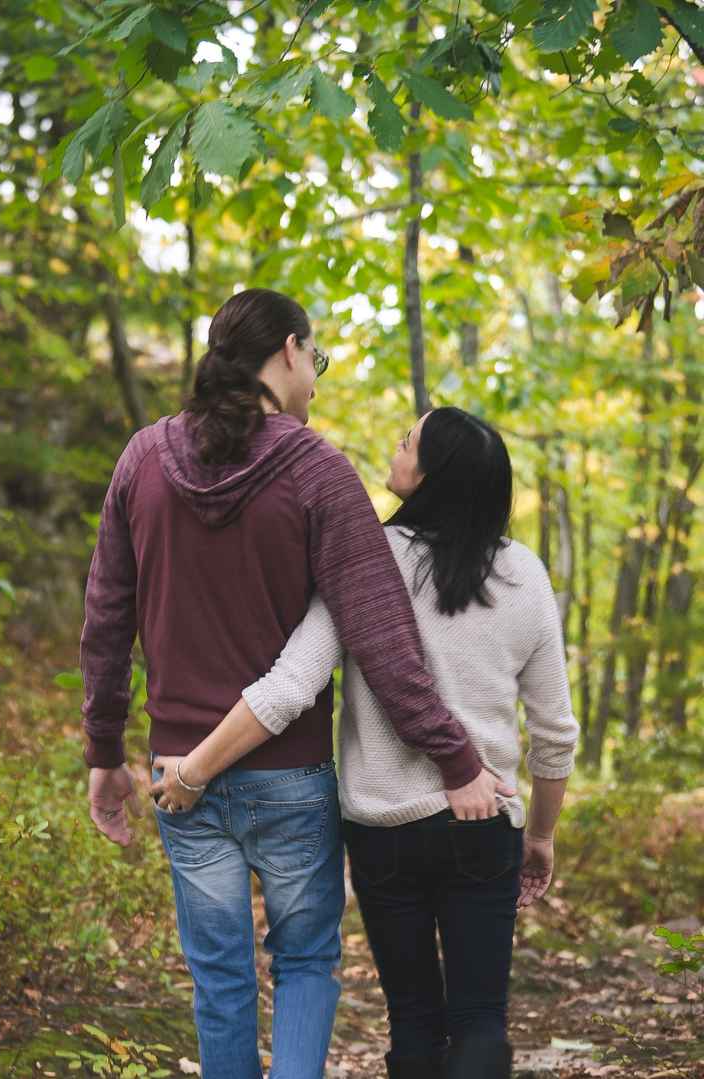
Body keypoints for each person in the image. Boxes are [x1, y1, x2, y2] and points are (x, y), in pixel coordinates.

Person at [80, 290, 511, 1079]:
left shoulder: (142, 459)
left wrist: (103, 749)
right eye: (315, 358)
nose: (315, 376)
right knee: (307, 961)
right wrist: (456, 756)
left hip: (182, 773)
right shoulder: (320, 472)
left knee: (219, 978)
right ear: (287, 350)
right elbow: (383, 639)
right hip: (290, 775)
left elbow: (106, 618)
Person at [153, 407, 579, 1079]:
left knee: (413, 1017)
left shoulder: (367, 557)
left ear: (430, 473)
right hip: (483, 821)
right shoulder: (524, 575)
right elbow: (555, 733)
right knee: (479, 1020)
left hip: (385, 832)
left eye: (407, 440)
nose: (395, 443)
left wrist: (196, 768)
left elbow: (293, 682)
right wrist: (542, 836)